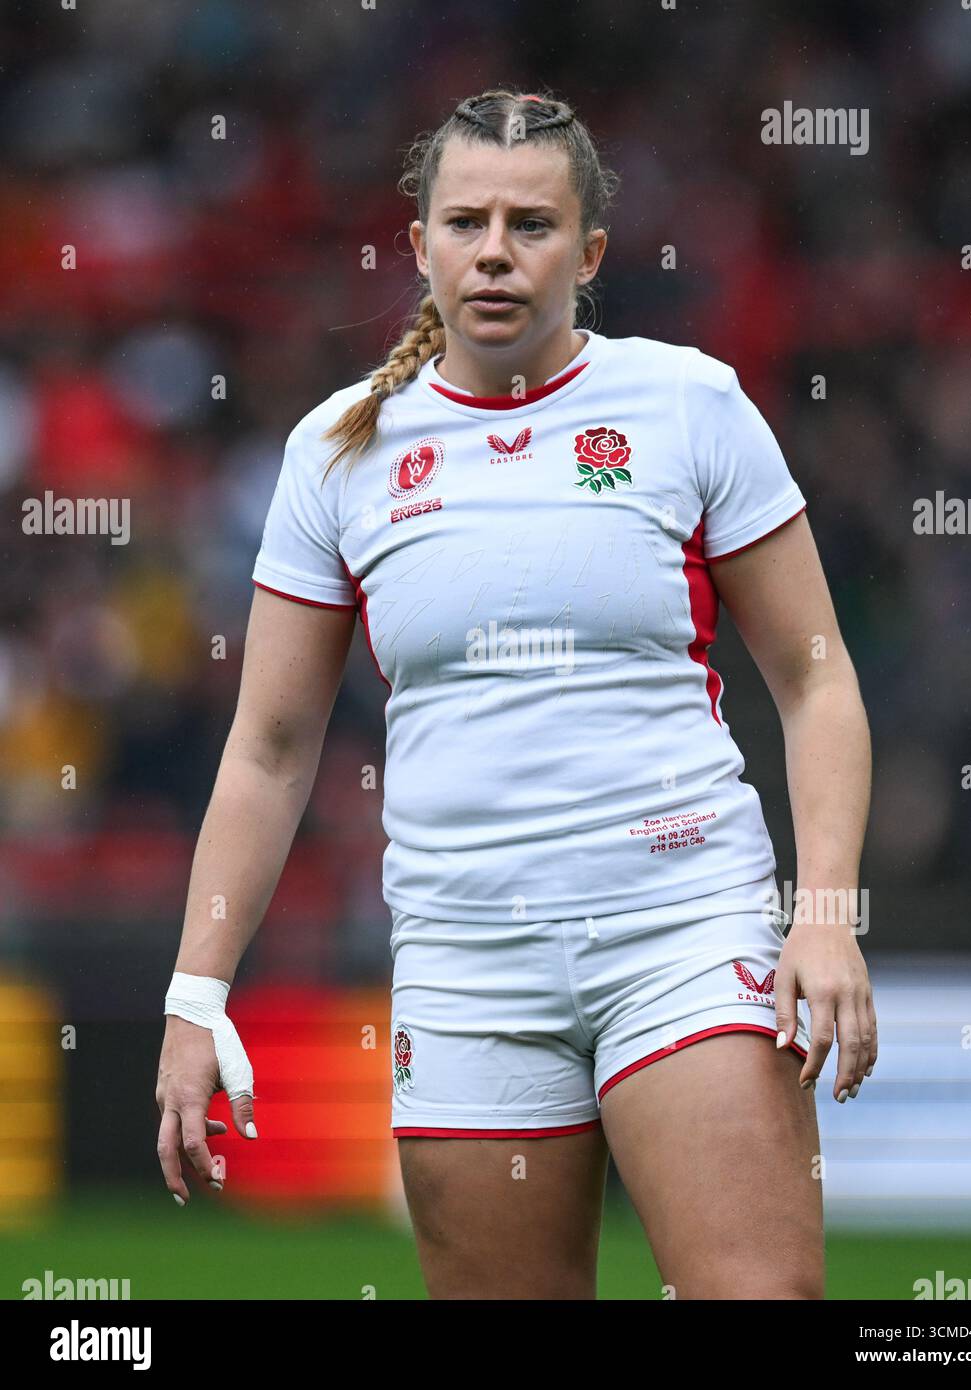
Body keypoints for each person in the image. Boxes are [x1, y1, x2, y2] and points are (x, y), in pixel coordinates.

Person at [156, 87, 875, 1300]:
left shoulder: (688, 404)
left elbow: (814, 679)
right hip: (466, 959)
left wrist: (821, 911)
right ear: (420, 241)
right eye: (466, 221)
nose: (494, 251)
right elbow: (269, 748)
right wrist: (193, 995)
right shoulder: (336, 450)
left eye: (531, 225)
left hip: (681, 924)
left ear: (588, 252)